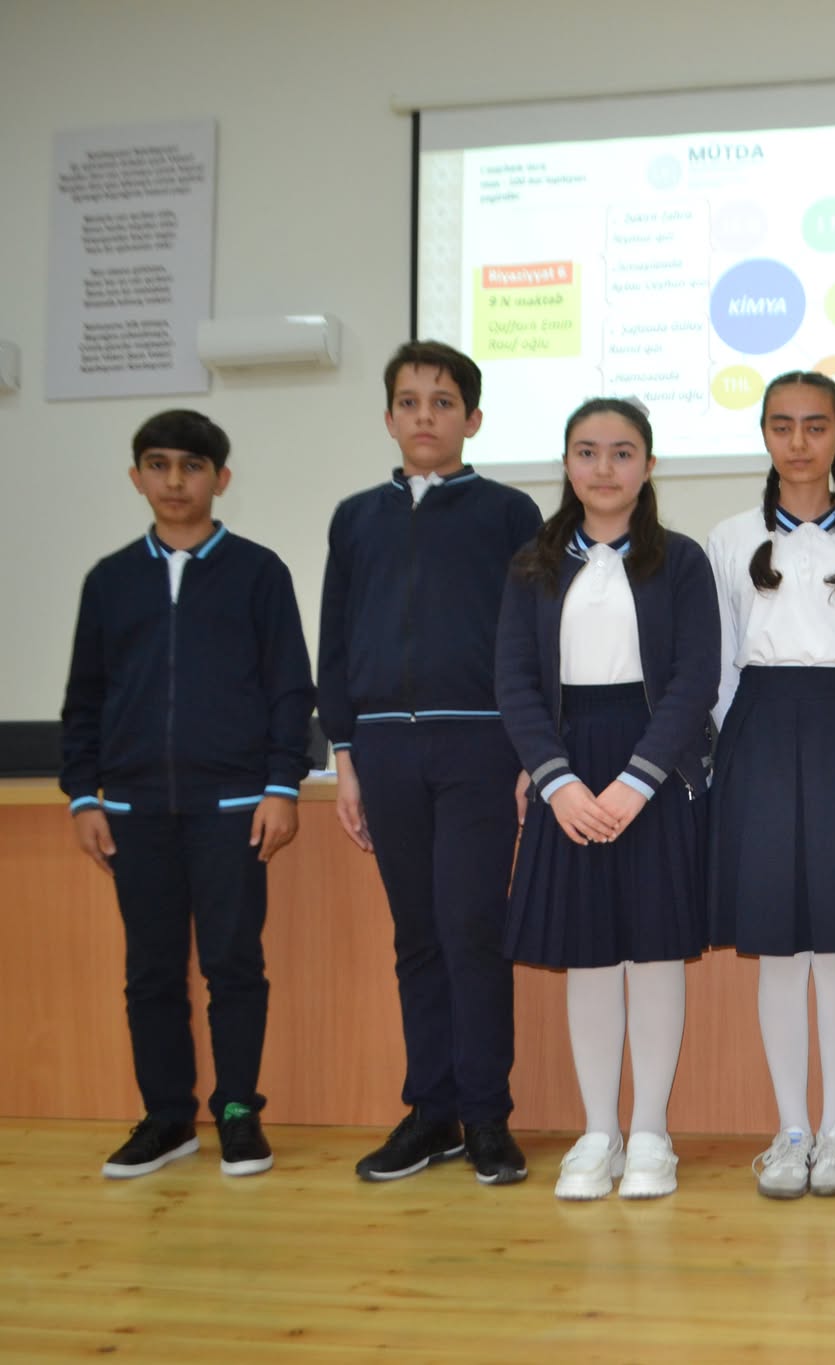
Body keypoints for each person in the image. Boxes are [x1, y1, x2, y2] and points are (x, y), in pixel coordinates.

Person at [61, 409, 313, 1179]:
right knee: (151, 971)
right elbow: (85, 698)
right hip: (134, 810)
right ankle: (167, 1118)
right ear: (137, 476)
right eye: (159, 464)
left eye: (192, 466)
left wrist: (281, 784)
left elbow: (288, 688)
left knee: (234, 964)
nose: (175, 480)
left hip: (233, 807)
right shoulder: (110, 580)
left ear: (220, 478)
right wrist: (82, 796)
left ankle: (238, 1112)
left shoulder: (258, 572)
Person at [319, 341, 542, 1185]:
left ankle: (486, 1114)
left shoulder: (508, 513)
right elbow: (334, 642)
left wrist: (529, 751)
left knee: (472, 929)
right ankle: (432, 1112)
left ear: (471, 419)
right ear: (388, 418)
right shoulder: (355, 518)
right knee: (416, 934)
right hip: (383, 748)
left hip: (481, 743)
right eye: (409, 402)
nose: (425, 416)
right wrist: (345, 756)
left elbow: (533, 638)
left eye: (443, 402)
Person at [496, 398, 719, 1201]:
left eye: (623, 452)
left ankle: (651, 1131)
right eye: (587, 451)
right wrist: (556, 781)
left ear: (648, 466)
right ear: (566, 463)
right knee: (588, 955)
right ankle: (599, 1131)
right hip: (568, 767)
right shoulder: (532, 564)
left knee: (654, 953)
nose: (604, 467)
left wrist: (636, 781)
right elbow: (514, 681)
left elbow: (695, 677)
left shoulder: (681, 561)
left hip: (651, 763)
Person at [706, 371, 835, 1200]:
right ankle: (790, 1129)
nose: (798, 441)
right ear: (763, 433)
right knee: (779, 944)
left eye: (816, 425)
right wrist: (735, 747)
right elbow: (720, 662)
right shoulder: (728, 537)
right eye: (782, 425)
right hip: (758, 732)